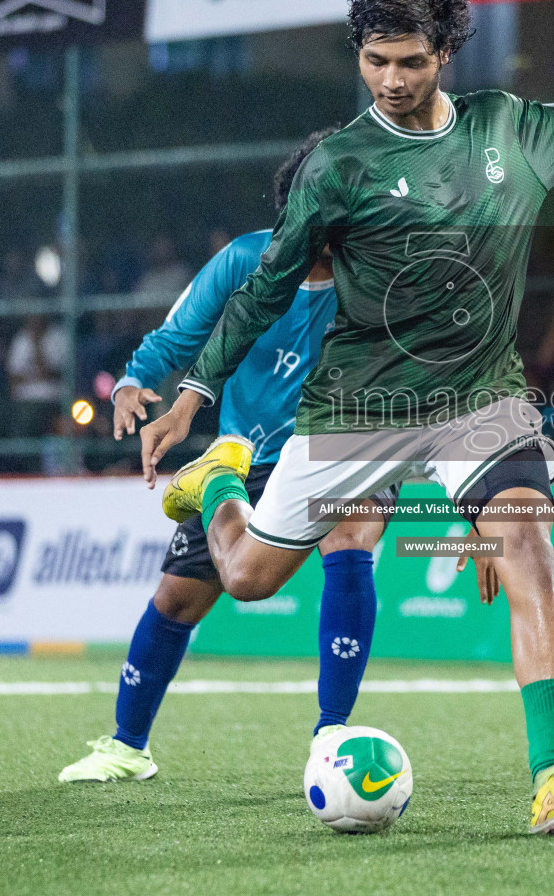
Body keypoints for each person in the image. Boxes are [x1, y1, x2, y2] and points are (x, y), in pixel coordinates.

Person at [137, 0, 554, 833]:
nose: (391, 80)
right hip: (362, 404)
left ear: (447, 50)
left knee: (527, 542)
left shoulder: (509, 128)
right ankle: (216, 477)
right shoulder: (338, 164)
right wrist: (194, 394)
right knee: (247, 577)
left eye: (410, 60)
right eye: (374, 60)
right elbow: (265, 287)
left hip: (480, 399)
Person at [59, 131, 398, 783]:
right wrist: (133, 382)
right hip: (246, 456)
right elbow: (181, 333)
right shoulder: (246, 260)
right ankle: (128, 746)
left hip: (341, 446)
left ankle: (332, 735)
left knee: (352, 528)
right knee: (180, 597)